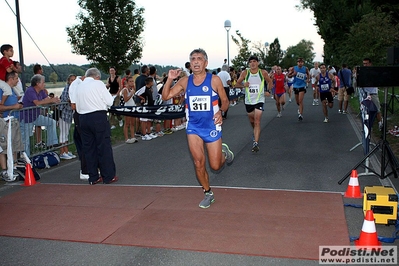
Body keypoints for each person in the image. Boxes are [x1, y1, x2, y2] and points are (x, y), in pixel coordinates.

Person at [161, 48, 234, 209]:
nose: (195, 61)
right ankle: (208, 192)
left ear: (205, 63)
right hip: (193, 127)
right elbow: (166, 96)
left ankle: (224, 153)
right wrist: (169, 79)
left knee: (215, 165)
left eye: (199, 58)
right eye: (193, 58)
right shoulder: (185, 81)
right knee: (198, 162)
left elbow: (225, 100)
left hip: (211, 127)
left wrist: (222, 111)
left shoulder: (214, 80)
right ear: (190, 63)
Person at [75, 68, 117, 185]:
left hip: (83, 117)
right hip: (98, 117)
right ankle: (108, 176)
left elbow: (76, 105)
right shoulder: (98, 84)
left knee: (89, 148)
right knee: (103, 146)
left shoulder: (79, 86)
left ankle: (93, 176)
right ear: (97, 76)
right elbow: (109, 101)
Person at [234, 55, 273, 152]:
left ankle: (255, 143)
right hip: (249, 101)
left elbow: (270, 81)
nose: (252, 63)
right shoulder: (245, 73)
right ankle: (255, 131)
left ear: (258, 63)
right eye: (250, 62)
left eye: (254, 61)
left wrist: (268, 90)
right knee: (252, 121)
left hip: (259, 99)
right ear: (248, 64)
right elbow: (235, 84)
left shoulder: (262, 72)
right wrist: (243, 85)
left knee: (257, 121)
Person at [19, 74, 60, 157]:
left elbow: (47, 99)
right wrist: (51, 100)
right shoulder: (30, 91)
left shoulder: (41, 91)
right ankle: (26, 160)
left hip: (35, 116)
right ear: (37, 83)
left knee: (51, 122)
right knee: (25, 140)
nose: (44, 84)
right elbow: (37, 103)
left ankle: (52, 143)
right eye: (43, 82)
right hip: (26, 118)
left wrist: (54, 100)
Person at [0, 71, 23, 181]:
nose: (18, 80)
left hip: (15, 121)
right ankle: (4, 170)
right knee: (5, 147)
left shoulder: (13, 90)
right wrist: (13, 106)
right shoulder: (3, 90)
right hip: (6, 122)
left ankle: (14, 166)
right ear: (11, 78)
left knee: (15, 145)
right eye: (16, 78)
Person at [69, 76, 89, 180]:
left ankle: (90, 167)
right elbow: (73, 105)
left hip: (85, 114)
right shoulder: (75, 85)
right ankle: (84, 170)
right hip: (80, 114)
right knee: (85, 142)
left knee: (89, 142)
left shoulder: (81, 85)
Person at [58, 74, 77, 160]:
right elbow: (66, 100)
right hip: (64, 114)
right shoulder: (67, 88)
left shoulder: (74, 89)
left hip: (69, 114)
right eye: (71, 80)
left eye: (74, 80)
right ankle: (62, 151)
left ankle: (66, 150)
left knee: (66, 133)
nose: (73, 81)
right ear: (68, 81)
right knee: (63, 133)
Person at [361, 58, 383, 130]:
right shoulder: (362, 72)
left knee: (377, 109)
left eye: (366, 63)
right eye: (364, 63)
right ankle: (369, 126)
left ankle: (380, 124)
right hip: (365, 93)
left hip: (373, 93)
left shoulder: (374, 72)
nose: (365, 65)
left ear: (370, 64)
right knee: (366, 111)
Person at [120, 76, 138, 143]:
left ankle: (133, 137)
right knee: (127, 123)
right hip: (127, 107)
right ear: (127, 82)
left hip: (132, 107)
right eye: (130, 81)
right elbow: (126, 99)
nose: (132, 83)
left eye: (132, 81)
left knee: (132, 123)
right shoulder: (125, 90)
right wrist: (131, 93)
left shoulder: (131, 89)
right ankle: (126, 138)